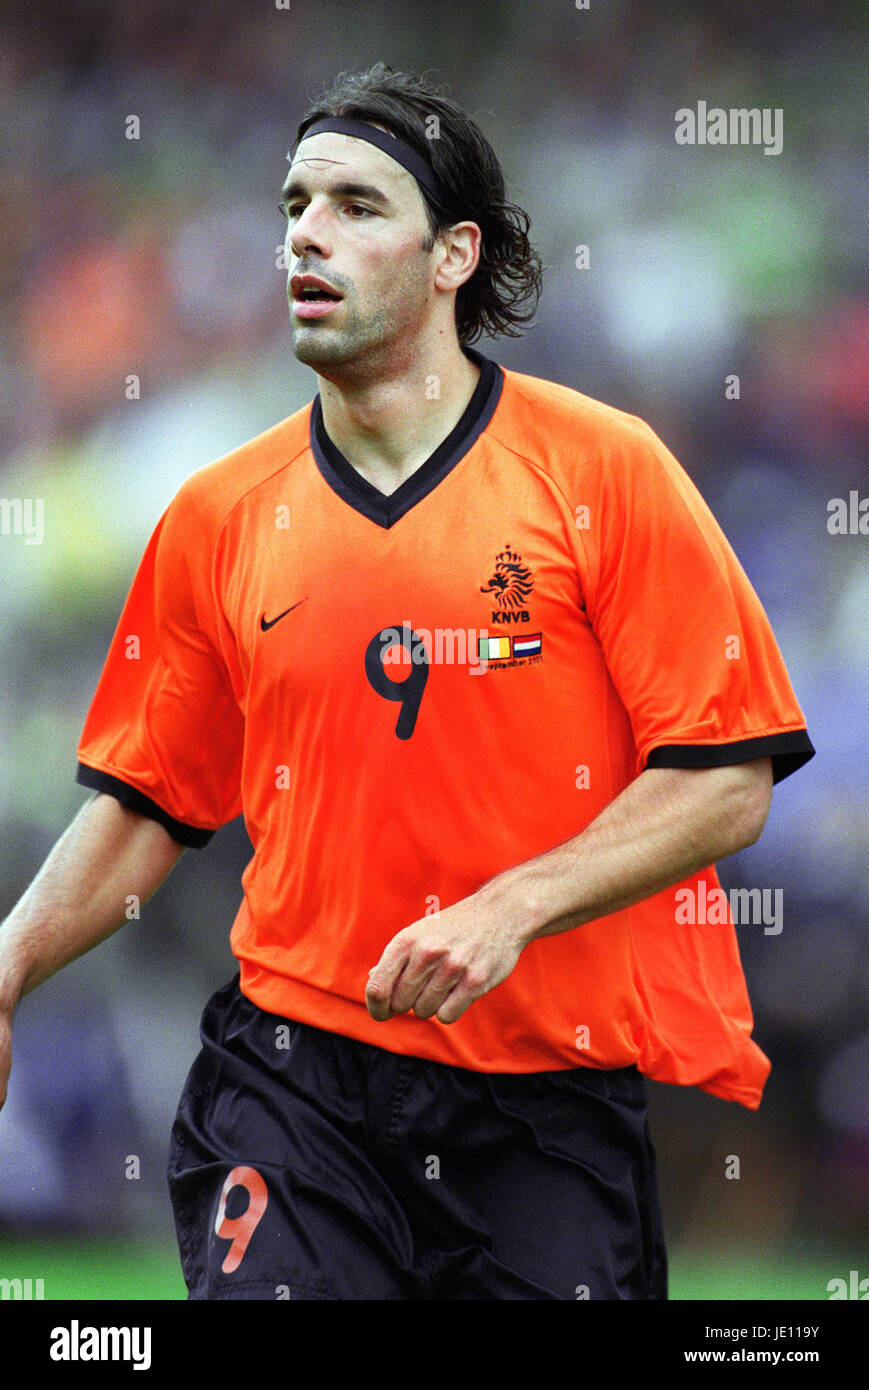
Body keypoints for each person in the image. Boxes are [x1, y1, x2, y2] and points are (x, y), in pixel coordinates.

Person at [0, 64, 814, 1301]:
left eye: (355, 204)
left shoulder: (607, 471)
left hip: (543, 1105)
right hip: (294, 1083)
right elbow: (147, 800)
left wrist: (506, 908)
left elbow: (725, 778)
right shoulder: (217, 516)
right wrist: (7, 962)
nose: (304, 234)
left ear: (452, 256)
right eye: (291, 205)